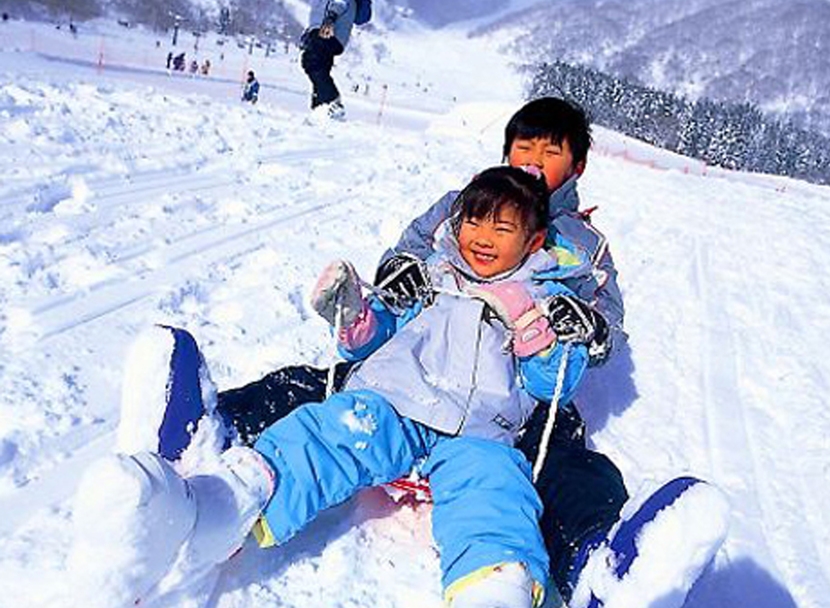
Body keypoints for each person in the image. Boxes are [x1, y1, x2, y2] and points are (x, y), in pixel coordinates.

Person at [73, 167, 594, 608]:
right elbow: (372, 339)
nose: (482, 236)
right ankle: (215, 510)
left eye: (502, 228)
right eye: (475, 220)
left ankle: (493, 588)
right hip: (395, 403)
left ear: (534, 242)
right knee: (325, 434)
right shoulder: (431, 276)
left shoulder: (540, 303)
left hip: (478, 431)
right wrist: (355, 317)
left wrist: (543, 342)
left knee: (494, 491)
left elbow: (552, 387)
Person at [300, 0, 372, 120]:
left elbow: (340, 2)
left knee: (312, 63)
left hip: (329, 30)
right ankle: (321, 109)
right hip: (326, 30)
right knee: (320, 68)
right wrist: (310, 31)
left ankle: (331, 101)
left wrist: (330, 18)